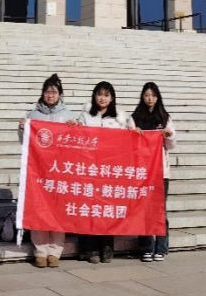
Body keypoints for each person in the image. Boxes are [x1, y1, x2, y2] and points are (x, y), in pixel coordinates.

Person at [18, 73, 73, 268]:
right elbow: (25, 143)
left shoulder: (69, 115)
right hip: (39, 170)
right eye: (47, 92)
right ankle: (40, 251)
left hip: (61, 170)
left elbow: (76, 142)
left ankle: (55, 251)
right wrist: (22, 128)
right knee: (39, 210)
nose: (50, 95)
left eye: (54, 92)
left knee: (58, 211)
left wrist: (75, 128)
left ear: (60, 95)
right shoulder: (33, 115)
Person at [74, 81, 127, 263]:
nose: (102, 98)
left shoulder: (119, 119)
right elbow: (76, 137)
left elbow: (126, 142)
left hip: (109, 171)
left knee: (106, 209)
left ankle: (106, 247)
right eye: (99, 94)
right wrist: (72, 126)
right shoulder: (86, 116)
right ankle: (89, 249)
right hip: (89, 169)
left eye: (106, 95)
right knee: (88, 209)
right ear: (94, 96)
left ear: (112, 98)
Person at [128, 82, 177, 262]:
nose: (150, 99)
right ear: (142, 97)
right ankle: (146, 247)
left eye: (153, 95)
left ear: (158, 97)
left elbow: (171, 145)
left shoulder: (165, 117)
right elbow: (128, 145)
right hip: (142, 172)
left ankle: (161, 247)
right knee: (143, 210)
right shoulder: (134, 118)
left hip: (160, 172)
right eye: (147, 95)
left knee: (160, 210)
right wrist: (133, 134)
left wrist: (169, 135)